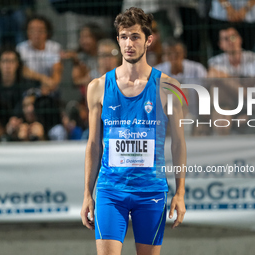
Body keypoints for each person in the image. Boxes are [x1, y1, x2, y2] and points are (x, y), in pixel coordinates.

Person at [80, 7, 187, 255]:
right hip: (110, 190)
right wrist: (87, 192)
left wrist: (180, 192)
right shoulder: (98, 87)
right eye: (124, 36)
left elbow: (178, 144)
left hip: (151, 190)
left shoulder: (168, 86)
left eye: (135, 36)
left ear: (149, 40)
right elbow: (94, 144)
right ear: (118, 39)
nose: (129, 43)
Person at [0, 47, 39, 113]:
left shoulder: (26, 84)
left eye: (12, 61)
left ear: (17, 64)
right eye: (4, 61)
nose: (8, 66)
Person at [16, 15, 63, 96]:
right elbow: (22, 70)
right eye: (32, 30)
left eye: (40, 30)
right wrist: (43, 78)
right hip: (27, 88)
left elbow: (57, 71)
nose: (36, 34)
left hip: (49, 88)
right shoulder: (21, 48)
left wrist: (49, 87)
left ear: (47, 32)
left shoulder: (54, 47)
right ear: (27, 32)